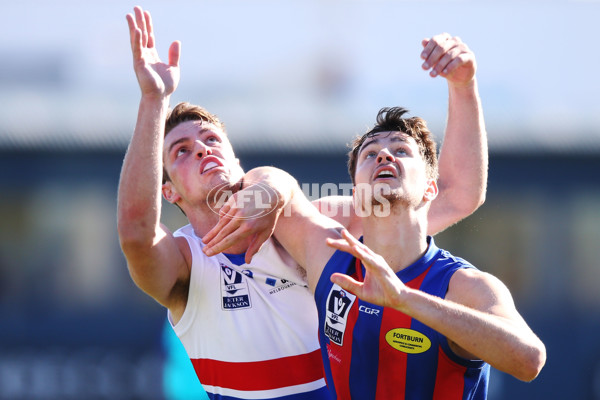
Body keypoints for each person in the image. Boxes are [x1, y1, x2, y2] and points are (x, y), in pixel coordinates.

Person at [119, 6, 487, 400]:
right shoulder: (185, 263)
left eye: (211, 140)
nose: (202, 150)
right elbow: (136, 232)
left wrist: (463, 85)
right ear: (170, 191)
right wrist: (154, 99)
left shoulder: (310, 225)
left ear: (236, 160)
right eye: (181, 151)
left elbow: (455, 195)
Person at [265, 107, 546, 399]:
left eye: (401, 150)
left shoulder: (463, 285)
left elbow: (529, 361)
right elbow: (263, 183)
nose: (384, 156)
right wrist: (267, 183)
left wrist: (405, 299)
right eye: (370, 154)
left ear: (430, 189)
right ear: (355, 194)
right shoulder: (329, 257)